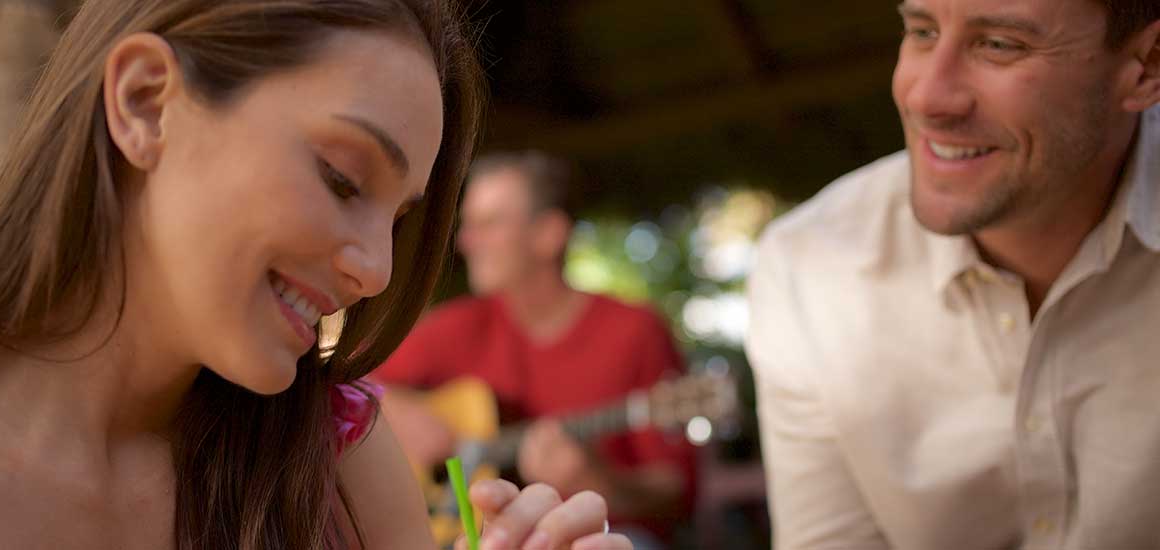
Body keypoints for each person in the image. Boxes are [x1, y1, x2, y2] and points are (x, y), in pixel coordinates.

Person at [0, 1, 632, 549]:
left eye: (397, 220)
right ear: (145, 103)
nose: (376, 272)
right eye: (342, 178)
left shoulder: (334, 466)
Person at [746, 0, 1160, 548]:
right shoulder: (809, 267)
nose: (926, 97)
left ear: (1147, 67)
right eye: (921, 31)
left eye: (1000, 44)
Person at [375, 151, 696, 546]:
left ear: (548, 234)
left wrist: (603, 484)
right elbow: (350, 383)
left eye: (489, 224)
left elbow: (675, 490)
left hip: (605, 535)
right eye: (468, 225)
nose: (466, 241)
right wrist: (403, 414)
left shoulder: (635, 331)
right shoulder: (456, 326)